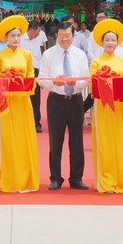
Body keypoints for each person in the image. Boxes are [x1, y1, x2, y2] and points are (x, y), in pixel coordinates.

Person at [88, 18, 123, 195]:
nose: (110, 43)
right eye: (107, 40)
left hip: (120, 108)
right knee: (105, 143)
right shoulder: (96, 62)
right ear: (101, 42)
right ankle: (107, 180)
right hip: (103, 108)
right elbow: (93, 86)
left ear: (118, 42)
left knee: (121, 142)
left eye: (113, 40)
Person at [40, 20, 91, 191]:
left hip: (75, 100)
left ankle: (76, 178)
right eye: (61, 36)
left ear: (73, 36)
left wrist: (75, 83)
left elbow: (86, 79)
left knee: (77, 141)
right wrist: (54, 82)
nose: (64, 39)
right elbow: (41, 79)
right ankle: (55, 177)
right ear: (56, 36)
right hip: (56, 100)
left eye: (68, 36)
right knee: (56, 141)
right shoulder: (48, 54)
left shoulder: (80, 55)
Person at [0, 16, 39, 194]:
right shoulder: (0, 55)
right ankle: (10, 179)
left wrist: (19, 81)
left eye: (18, 35)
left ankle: (26, 180)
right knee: (8, 140)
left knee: (24, 138)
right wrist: (7, 79)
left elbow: (30, 77)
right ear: (6, 37)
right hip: (6, 103)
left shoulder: (26, 55)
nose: (16, 38)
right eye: (12, 35)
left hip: (22, 101)